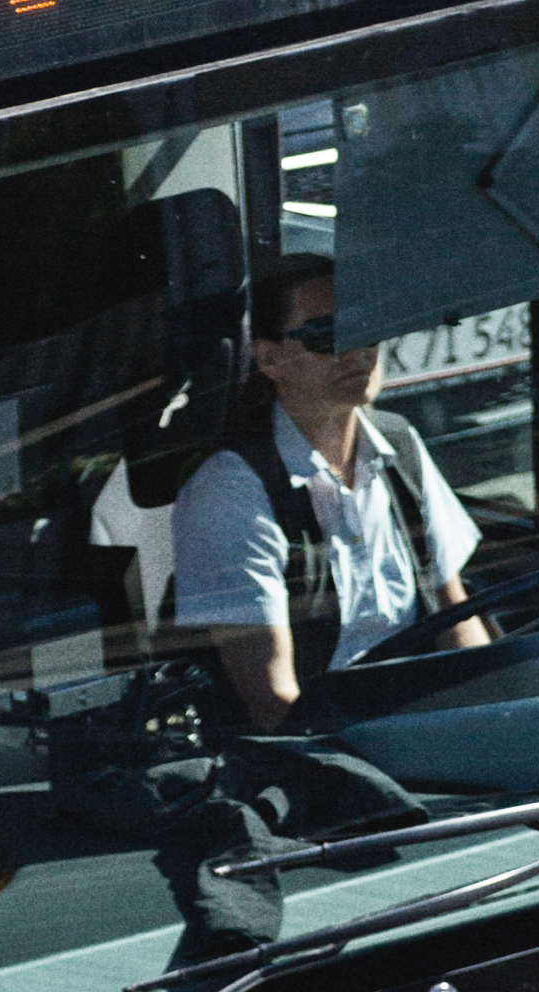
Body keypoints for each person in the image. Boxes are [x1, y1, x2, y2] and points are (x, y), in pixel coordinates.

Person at [164, 259, 488, 720]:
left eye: (365, 329)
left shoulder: (401, 446)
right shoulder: (231, 491)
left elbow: (455, 614)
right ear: (269, 358)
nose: (357, 351)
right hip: (327, 751)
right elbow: (274, 701)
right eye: (325, 335)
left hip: (421, 723)